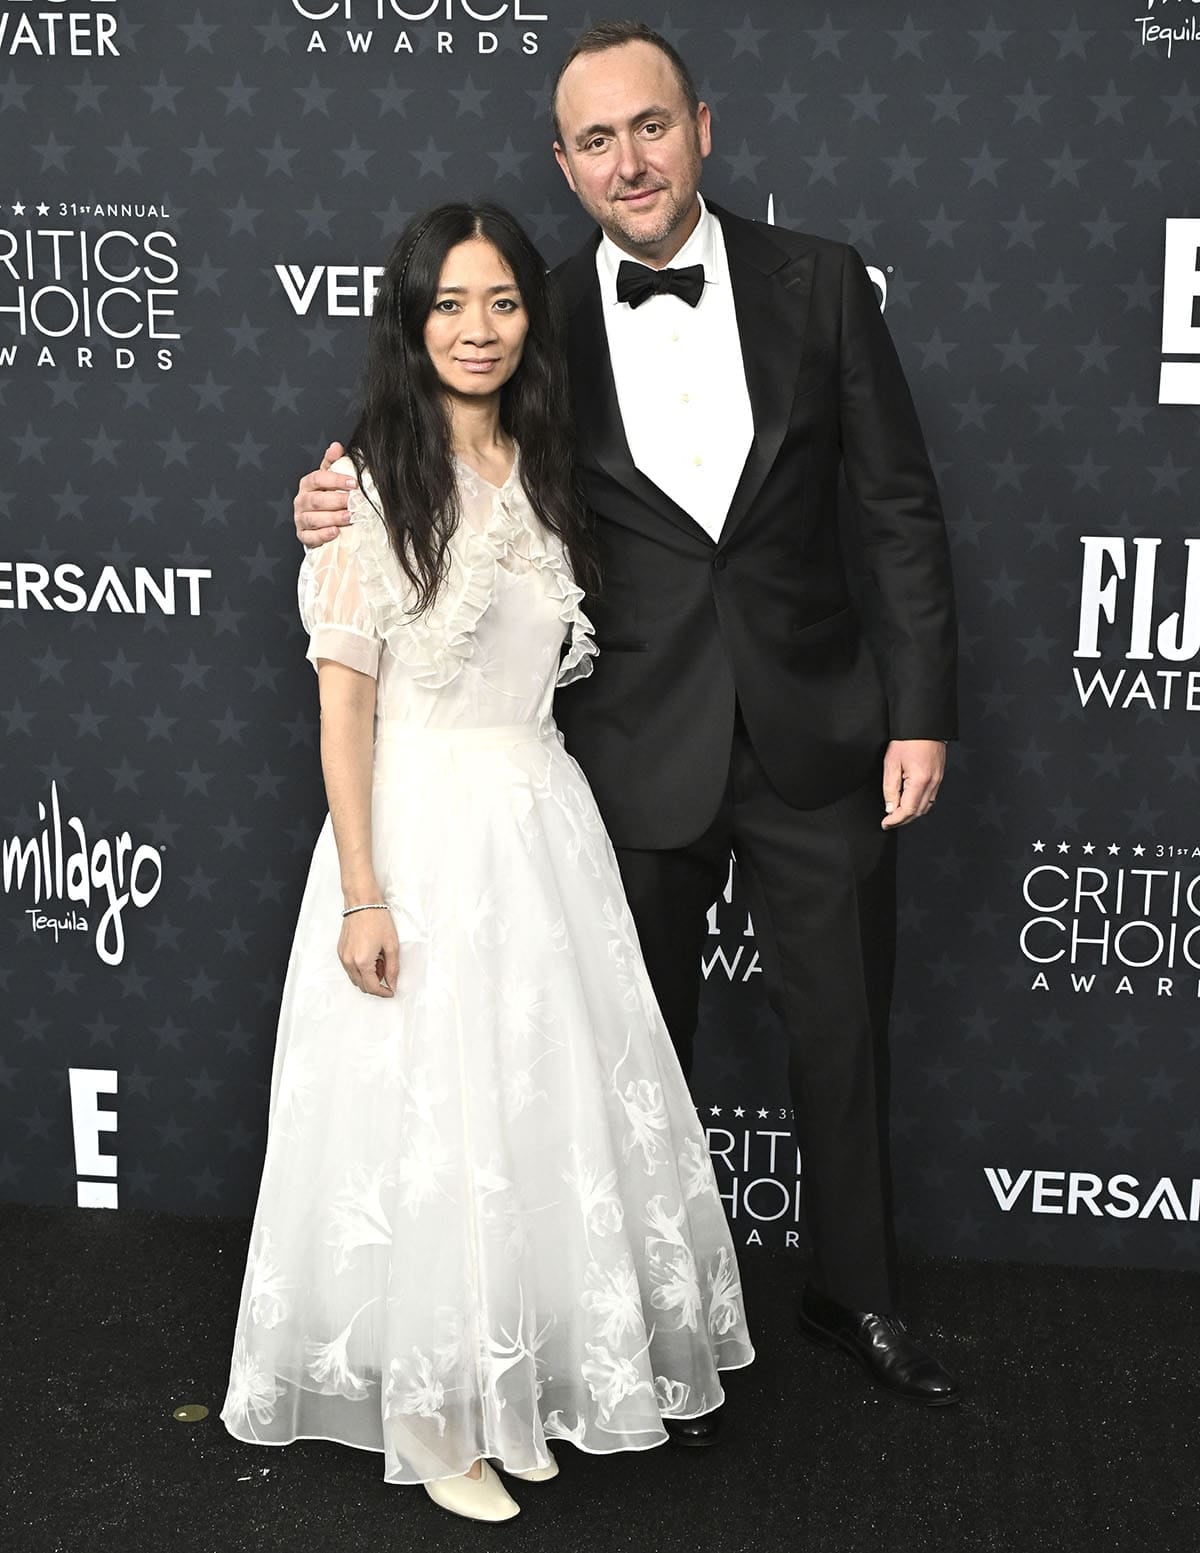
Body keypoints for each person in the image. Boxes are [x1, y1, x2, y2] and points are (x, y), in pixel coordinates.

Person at [294, 20, 961, 1424]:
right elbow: (436, 446)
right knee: (612, 1059)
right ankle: (611, 1327)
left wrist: (921, 709)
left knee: (841, 1026)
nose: (628, 160)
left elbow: (896, 507)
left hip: (817, 726)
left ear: (702, 127)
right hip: (620, 748)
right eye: (594, 141)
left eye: (649, 126)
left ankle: (860, 1291)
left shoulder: (824, 284)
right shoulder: (529, 316)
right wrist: (331, 490)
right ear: (564, 163)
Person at [221, 201, 753, 1523]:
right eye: (451, 303)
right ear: (410, 320)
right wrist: (363, 890)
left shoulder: (548, 469)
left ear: (532, 317)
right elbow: (344, 705)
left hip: (542, 820)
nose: (478, 327)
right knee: (432, 1124)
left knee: (531, 1122)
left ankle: (512, 1386)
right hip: (416, 826)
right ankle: (434, 1415)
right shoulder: (364, 486)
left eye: (504, 301)